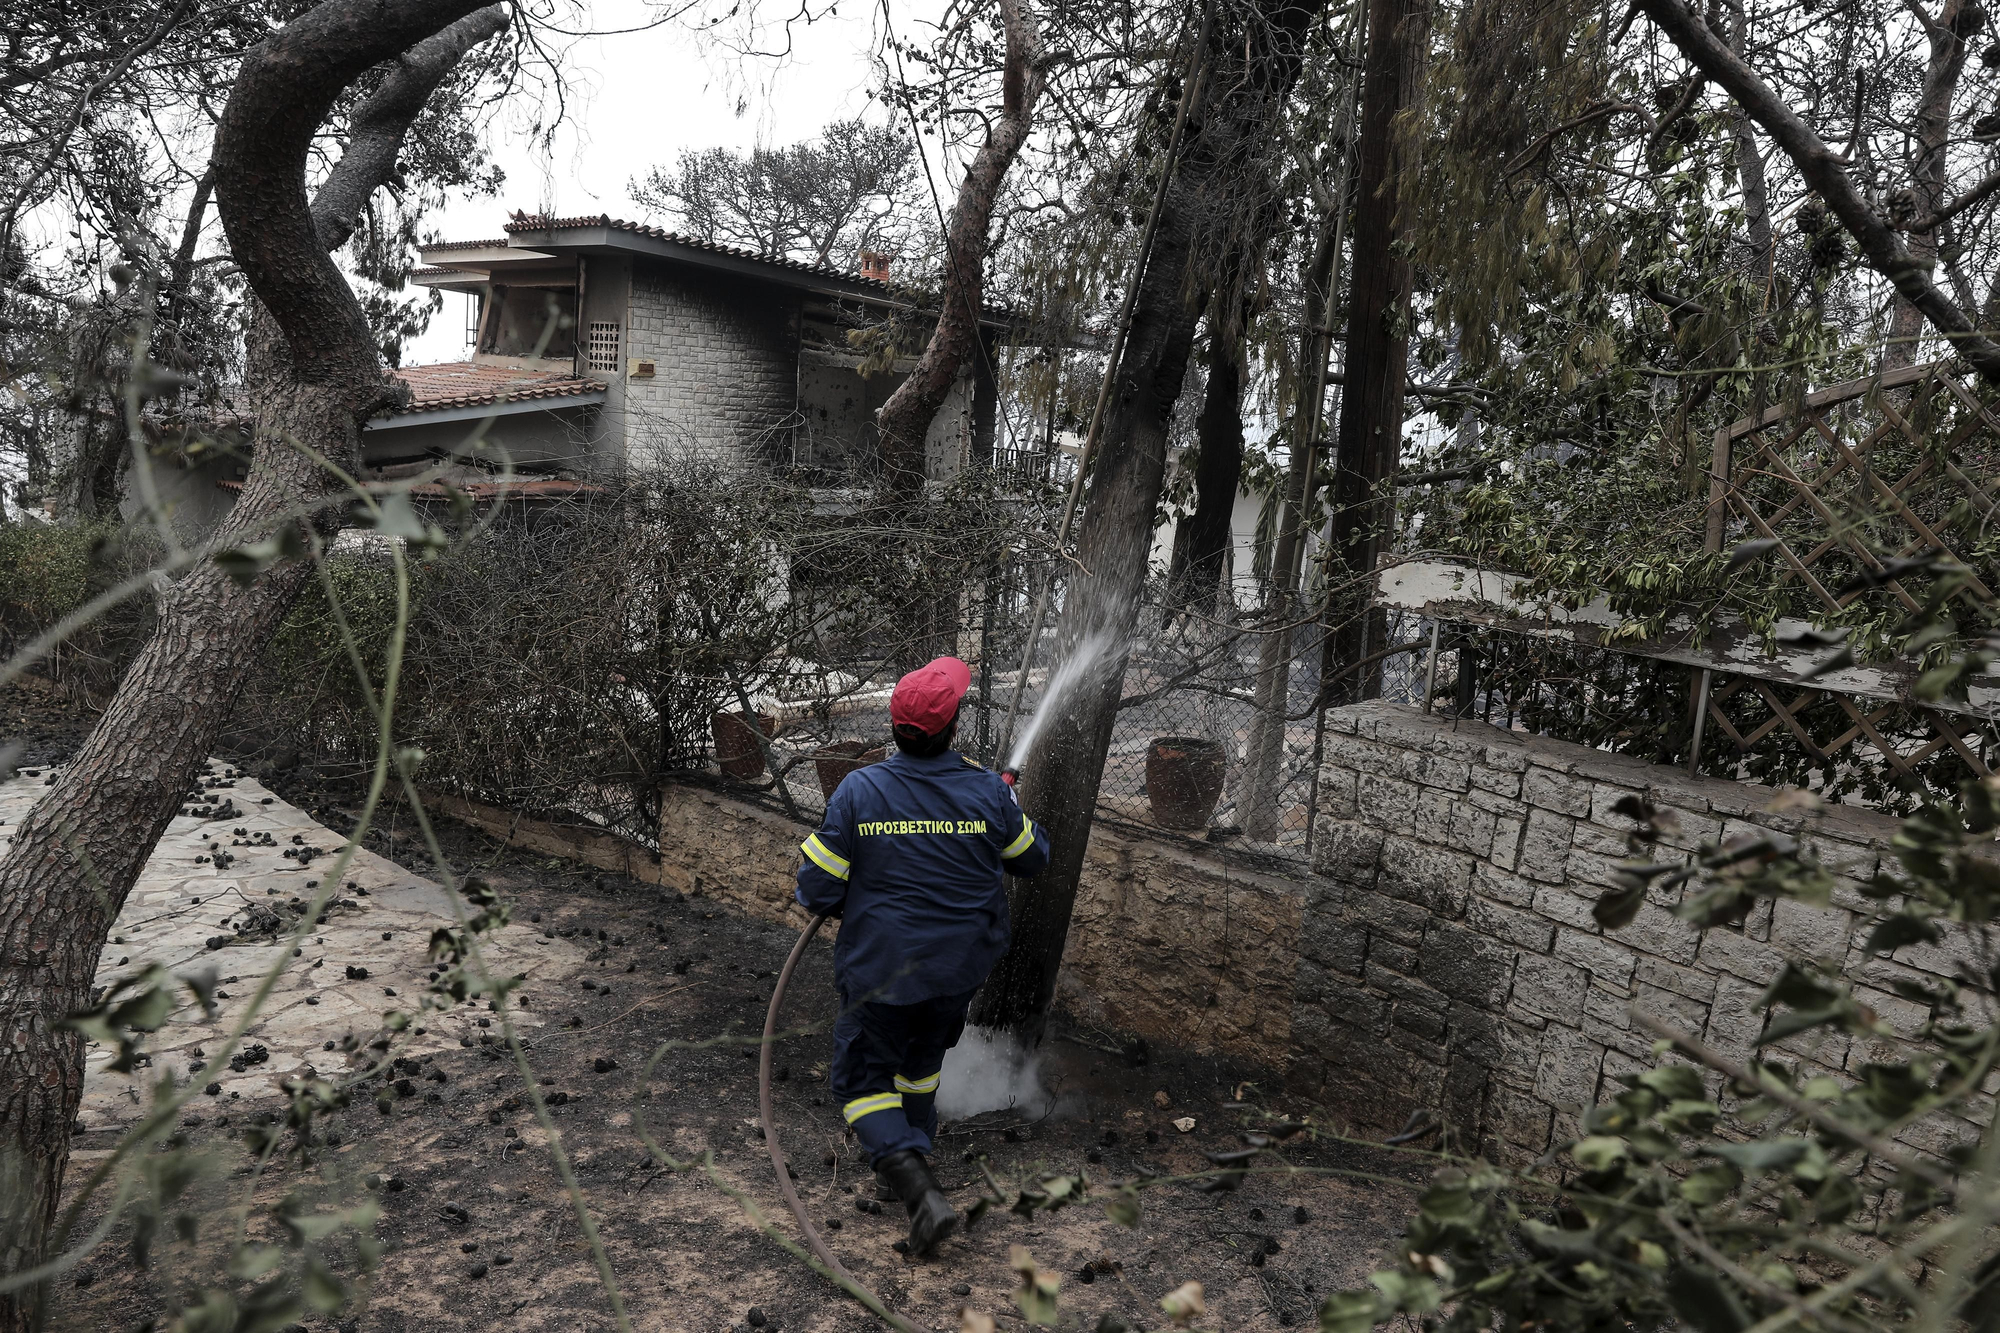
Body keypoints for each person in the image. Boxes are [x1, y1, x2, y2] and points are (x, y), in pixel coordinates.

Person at [793, 655, 1050, 1254]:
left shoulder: (861, 791)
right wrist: (999, 808)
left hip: (883, 969)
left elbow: (816, 889)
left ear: (894, 726)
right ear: (953, 726)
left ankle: (918, 1190)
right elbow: (1033, 857)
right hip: (956, 971)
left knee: (860, 1083)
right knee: (920, 1064)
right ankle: (907, 1164)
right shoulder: (987, 791)